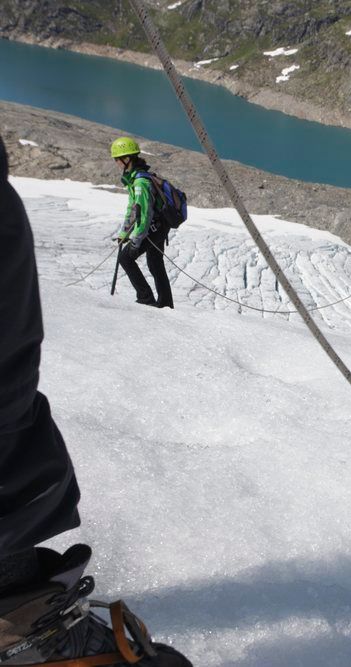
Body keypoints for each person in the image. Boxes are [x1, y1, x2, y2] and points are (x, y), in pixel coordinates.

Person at [0, 136, 190, 666]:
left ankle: (14, 615)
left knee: (144, 267)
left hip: (142, 234)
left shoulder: (138, 182)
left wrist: (131, 229)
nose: (117, 166)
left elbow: (142, 208)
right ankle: (16, 622)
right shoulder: (138, 179)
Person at [110, 137, 173, 309]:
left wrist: (135, 240)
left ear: (127, 158)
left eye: (117, 159)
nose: (116, 162)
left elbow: (143, 215)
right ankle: (165, 304)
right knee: (155, 264)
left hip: (153, 226)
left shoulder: (140, 182)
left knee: (126, 258)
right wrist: (124, 233)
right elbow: (133, 209)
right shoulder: (136, 178)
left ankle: (146, 298)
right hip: (160, 226)